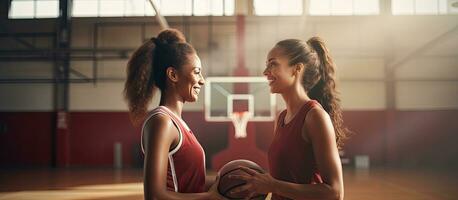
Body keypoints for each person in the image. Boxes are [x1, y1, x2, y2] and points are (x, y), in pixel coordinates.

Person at [230, 37, 348, 200]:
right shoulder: (281, 118)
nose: (265, 72)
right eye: (266, 65)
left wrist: (273, 185)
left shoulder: (315, 116)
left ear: (297, 69)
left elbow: (335, 193)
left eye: (273, 64)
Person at [124, 29, 222, 200]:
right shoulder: (162, 121)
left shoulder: (177, 122)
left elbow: (187, 183)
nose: (202, 80)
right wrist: (210, 197)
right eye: (196, 72)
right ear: (173, 75)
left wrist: (228, 181)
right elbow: (154, 196)